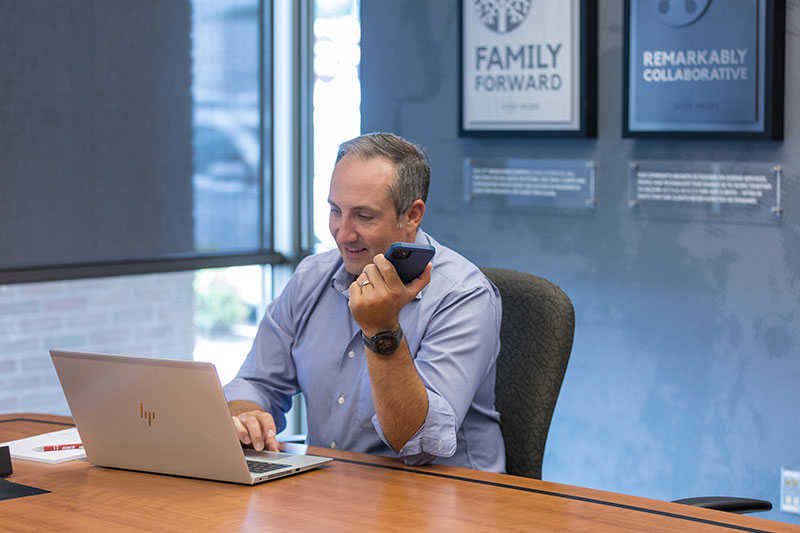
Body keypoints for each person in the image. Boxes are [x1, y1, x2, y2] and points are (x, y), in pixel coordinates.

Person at [223, 133, 505, 471]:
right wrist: (245, 414)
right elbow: (256, 382)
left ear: (412, 215)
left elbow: (419, 443)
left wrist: (381, 329)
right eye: (335, 211)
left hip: (445, 500)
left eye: (364, 216)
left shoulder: (463, 295)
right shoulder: (312, 277)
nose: (343, 234)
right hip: (333, 489)